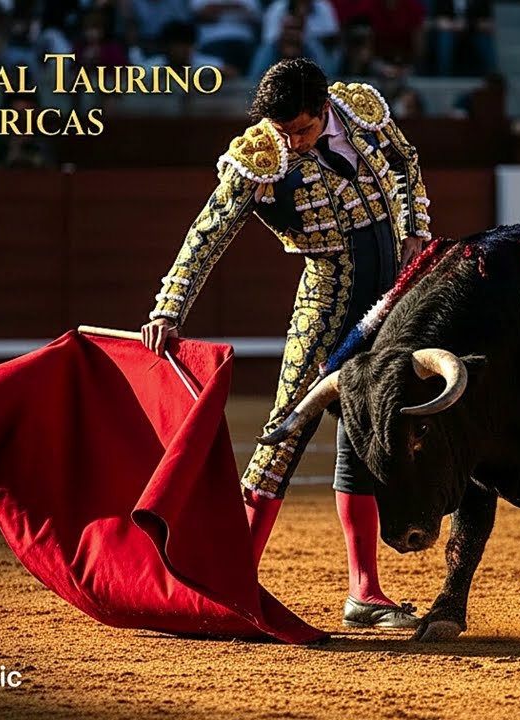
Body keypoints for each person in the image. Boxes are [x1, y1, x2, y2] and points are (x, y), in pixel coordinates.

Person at [140, 59, 432, 629]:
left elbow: (406, 163)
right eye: (282, 131)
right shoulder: (258, 159)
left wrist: (414, 226)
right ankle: (233, 580)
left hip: (391, 300)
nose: (291, 142)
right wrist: (168, 308)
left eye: (301, 129)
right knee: (285, 432)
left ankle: (364, 593)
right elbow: (208, 232)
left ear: (324, 110)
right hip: (326, 303)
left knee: (364, 436)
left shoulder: (361, 111)